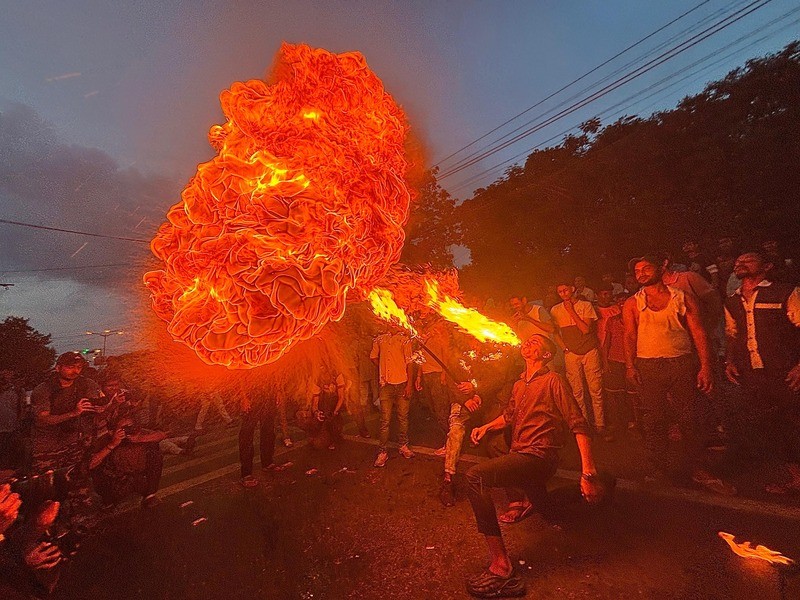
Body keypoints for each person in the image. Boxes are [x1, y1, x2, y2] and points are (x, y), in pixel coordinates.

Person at [464, 335, 605, 598]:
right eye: (528, 340)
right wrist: (485, 427)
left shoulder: (553, 380)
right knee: (549, 510)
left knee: (474, 477)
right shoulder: (519, 385)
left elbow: (578, 424)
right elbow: (508, 417)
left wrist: (589, 473)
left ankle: (501, 566)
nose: (529, 342)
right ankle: (599, 489)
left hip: (539, 456)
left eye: (536, 342)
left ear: (546, 355)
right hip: (521, 454)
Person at [623, 255, 734, 495]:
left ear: (660, 268)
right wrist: (630, 366)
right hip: (648, 366)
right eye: (637, 271)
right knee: (654, 420)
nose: (641, 273)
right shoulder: (632, 303)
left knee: (689, 418)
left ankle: (696, 468)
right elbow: (630, 335)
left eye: (646, 268)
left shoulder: (682, 298)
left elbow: (698, 333)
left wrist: (705, 367)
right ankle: (658, 470)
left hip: (681, 363)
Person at [723, 251, 800, 493]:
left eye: (748, 260)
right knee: (770, 426)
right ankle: (793, 477)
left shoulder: (785, 292)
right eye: (738, 261)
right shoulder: (732, 300)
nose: (740, 263)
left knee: (794, 422)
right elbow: (732, 334)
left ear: (767, 266)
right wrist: (730, 361)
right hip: (753, 374)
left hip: (785, 371)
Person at [29, 352, 104, 533]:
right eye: (70, 367)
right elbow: (43, 419)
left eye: (78, 367)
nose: (75, 371)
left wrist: (101, 407)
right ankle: (44, 529)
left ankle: (78, 524)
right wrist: (74, 413)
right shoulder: (43, 390)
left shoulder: (85, 384)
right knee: (47, 489)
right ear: (58, 368)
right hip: (47, 446)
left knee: (77, 483)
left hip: (73, 442)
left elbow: (100, 401)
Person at [550, 278, 609, 440]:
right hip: (571, 354)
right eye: (560, 292)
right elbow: (554, 332)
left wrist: (571, 311)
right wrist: (564, 349)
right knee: (577, 391)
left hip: (589, 351)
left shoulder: (585, 306)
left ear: (572, 289)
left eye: (565, 290)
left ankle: (600, 425)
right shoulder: (555, 310)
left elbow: (585, 330)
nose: (563, 294)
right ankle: (583, 426)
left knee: (595, 389)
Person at [370, 325, 414, 468]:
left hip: (402, 383)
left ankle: (403, 445)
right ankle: (382, 452)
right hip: (386, 385)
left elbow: (410, 363)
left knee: (403, 417)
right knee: (385, 420)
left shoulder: (404, 340)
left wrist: (409, 385)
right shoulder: (380, 339)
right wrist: (382, 368)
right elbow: (373, 357)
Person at [596, 287, 637, 431]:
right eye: (619, 302)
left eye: (624, 301)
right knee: (614, 393)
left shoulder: (636, 320)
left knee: (632, 394)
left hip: (632, 361)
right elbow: (606, 343)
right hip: (614, 360)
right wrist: (605, 362)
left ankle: (634, 423)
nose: (622, 304)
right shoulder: (612, 321)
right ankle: (618, 423)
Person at [414, 315, 453, 451]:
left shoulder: (439, 333)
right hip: (426, 375)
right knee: (433, 409)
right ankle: (448, 440)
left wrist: (444, 374)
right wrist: (419, 376)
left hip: (437, 375)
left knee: (442, 410)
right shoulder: (423, 337)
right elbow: (421, 358)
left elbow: (445, 354)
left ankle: (450, 443)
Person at [238, 385, 277, 488]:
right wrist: (243, 397)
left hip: (269, 393)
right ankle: (246, 474)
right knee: (247, 434)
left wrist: (277, 392)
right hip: (251, 394)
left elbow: (275, 377)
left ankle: (267, 462)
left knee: (268, 430)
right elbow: (239, 377)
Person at [0, 369, 28, 472]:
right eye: (4, 373)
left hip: (13, 426)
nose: (6, 375)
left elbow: (23, 407)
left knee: (11, 452)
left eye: (8, 373)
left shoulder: (19, 390)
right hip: (3, 426)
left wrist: (21, 422)